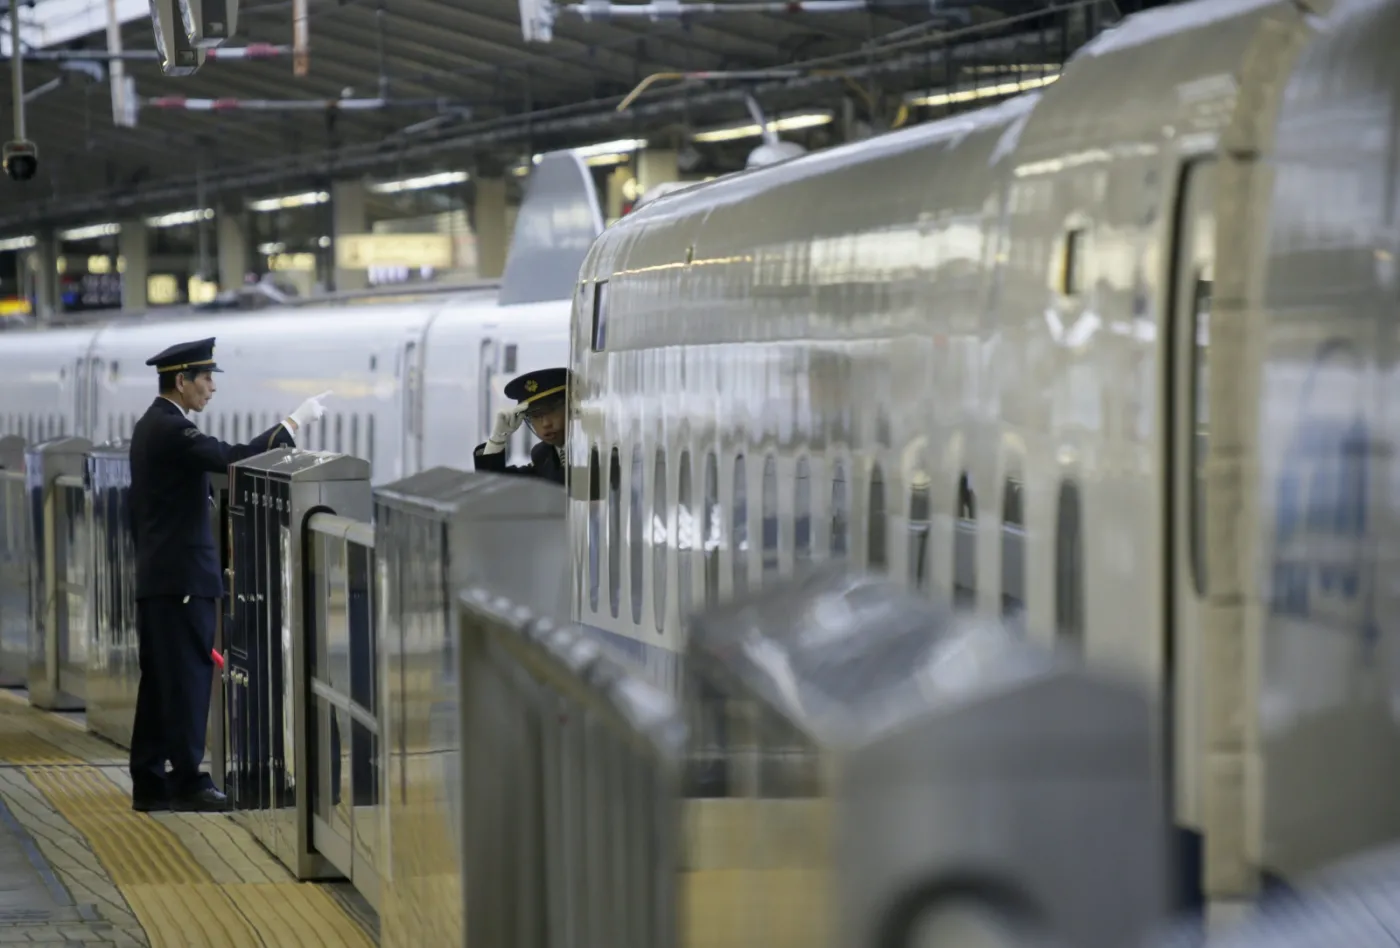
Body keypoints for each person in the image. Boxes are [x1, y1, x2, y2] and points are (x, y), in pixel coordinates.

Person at [128, 337, 331, 814]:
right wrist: (291, 424)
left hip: (167, 578)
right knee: (187, 679)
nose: (212, 388)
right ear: (181, 381)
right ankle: (186, 781)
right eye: (205, 378)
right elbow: (231, 457)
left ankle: (152, 781)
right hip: (180, 581)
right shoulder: (168, 429)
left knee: (161, 680)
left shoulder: (154, 425)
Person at [473, 366, 568, 485]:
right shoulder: (543, 456)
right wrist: (497, 439)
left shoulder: (593, 452)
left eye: (552, 410)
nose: (546, 423)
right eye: (535, 416)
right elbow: (495, 486)